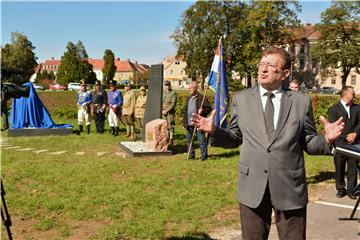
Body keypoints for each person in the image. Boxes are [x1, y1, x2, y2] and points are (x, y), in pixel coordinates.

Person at [191, 47, 344, 240]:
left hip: (289, 187)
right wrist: (214, 131)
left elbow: (308, 141)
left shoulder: (300, 102)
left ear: (285, 73)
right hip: (252, 187)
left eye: (270, 66)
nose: (263, 70)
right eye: (261, 64)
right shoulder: (242, 99)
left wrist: (327, 139)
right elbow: (235, 137)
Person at [328, 86, 360, 199]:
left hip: (354, 143)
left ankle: (352, 190)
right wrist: (345, 136)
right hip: (340, 143)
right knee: (339, 167)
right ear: (346, 94)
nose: (354, 95)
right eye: (353, 93)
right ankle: (341, 189)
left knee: (353, 167)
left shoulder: (357, 108)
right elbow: (333, 126)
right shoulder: (334, 109)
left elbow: (359, 123)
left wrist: (355, 134)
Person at [182, 82, 212, 160]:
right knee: (189, 141)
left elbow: (209, 108)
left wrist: (203, 110)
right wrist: (184, 122)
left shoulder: (202, 98)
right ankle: (191, 156)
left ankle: (204, 156)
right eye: (188, 88)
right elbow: (186, 110)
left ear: (195, 88)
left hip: (198, 123)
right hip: (189, 123)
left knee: (201, 140)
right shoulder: (188, 98)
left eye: (190, 88)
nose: (189, 90)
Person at [162, 80, 177, 145]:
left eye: (167, 85)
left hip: (170, 112)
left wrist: (167, 110)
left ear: (170, 85)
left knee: (171, 125)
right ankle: (166, 138)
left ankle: (171, 138)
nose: (166, 86)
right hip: (163, 111)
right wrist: (162, 110)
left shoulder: (173, 93)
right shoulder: (163, 93)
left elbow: (173, 103)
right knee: (165, 125)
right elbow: (161, 102)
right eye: (165, 85)